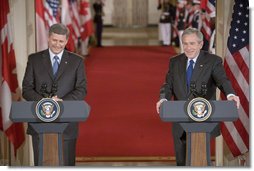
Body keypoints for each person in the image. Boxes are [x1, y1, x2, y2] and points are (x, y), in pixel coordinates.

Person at [156, 27, 240, 166]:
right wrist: (163, 98)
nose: (188, 48)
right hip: (180, 118)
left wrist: (230, 94)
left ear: (200, 44)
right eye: (185, 43)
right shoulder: (175, 61)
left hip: (203, 119)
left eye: (192, 43)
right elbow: (168, 85)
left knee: (199, 158)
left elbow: (222, 80)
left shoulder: (213, 61)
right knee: (182, 162)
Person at [22, 23, 87, 166]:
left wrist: (61, 102)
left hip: (67, 125)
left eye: (61, 41)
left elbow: (81, 90)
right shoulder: (34, 59)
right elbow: (26, 89)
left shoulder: (77, 62)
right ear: (48, 38)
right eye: (54, 40)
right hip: (39, 123)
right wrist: (46, 102)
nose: (57, 44)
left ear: (66, 41)